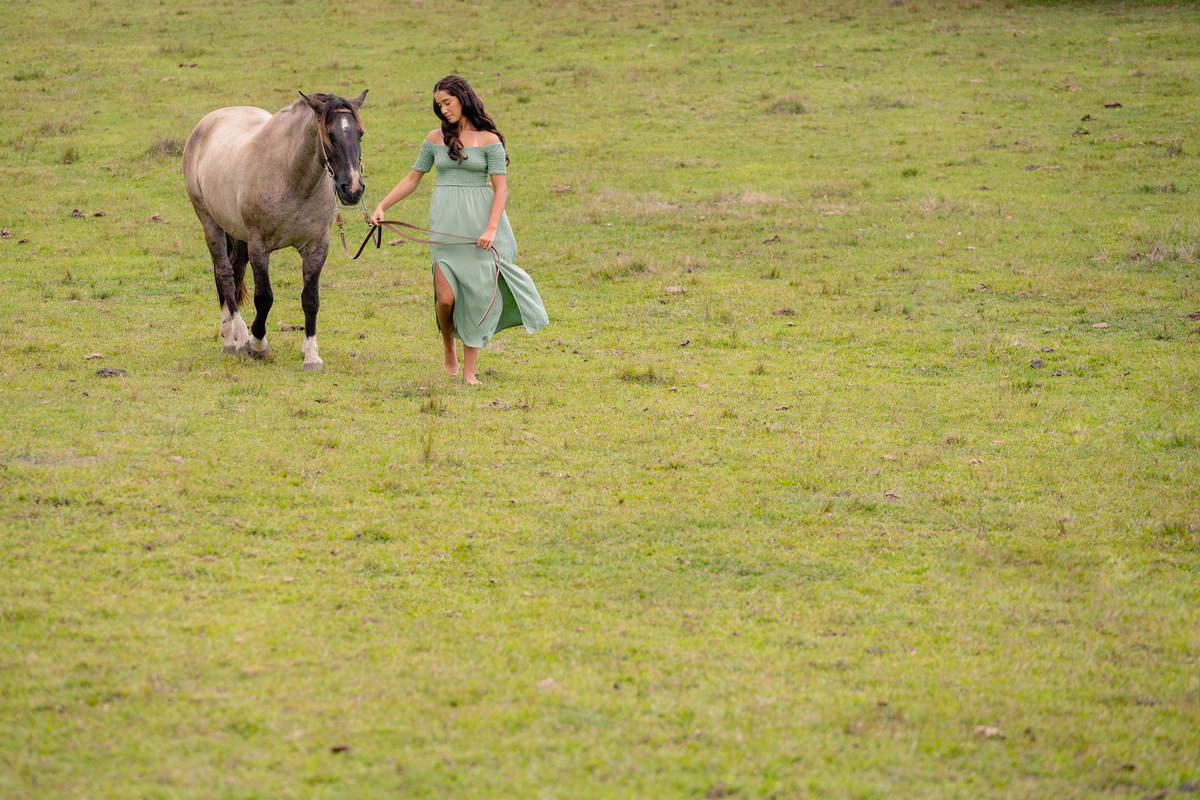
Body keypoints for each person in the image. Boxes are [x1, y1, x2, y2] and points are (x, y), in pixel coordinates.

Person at [371, 74, 548, 385]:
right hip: (445, 225)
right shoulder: (434, 139)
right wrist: (382, 205)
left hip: (480, 225)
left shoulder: (489, 140)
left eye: (447, 103)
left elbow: (501, 189)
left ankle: (469, 372)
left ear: (463, 98)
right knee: (446, 299)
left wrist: (491, 228)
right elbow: (413, 178)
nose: (443, 110)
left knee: (477, 296)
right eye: (439, 105)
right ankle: (447, 347)